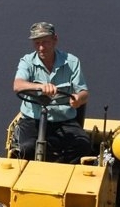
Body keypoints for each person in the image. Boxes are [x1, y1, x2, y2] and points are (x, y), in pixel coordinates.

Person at [12, 22, 92, 164]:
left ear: (55, 40)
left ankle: (62, 171)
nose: (41, 48)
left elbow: (84, 92)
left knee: (83, 145)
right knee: (25, 150)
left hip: (63, 121)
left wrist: (78, 98)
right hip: (33, 120)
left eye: (45, 42)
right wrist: (41, 87)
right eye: (37, 43)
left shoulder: (72, 62)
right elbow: (18, 85)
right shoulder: (27, 62)